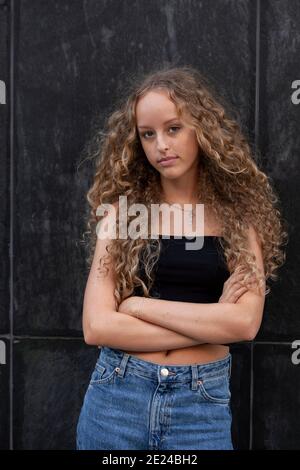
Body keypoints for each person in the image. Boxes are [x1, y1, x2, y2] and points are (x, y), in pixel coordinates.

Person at [76, 66, 288, 450]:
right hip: (117, 397)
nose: (161, 145)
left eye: (173, 128)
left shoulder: (239, 217)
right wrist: (210, 323)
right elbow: (96, 327)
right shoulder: (122, 215)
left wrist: (137, 305)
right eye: (148, 134)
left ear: (202, 130)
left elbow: (243, 324)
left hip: (199, 404)